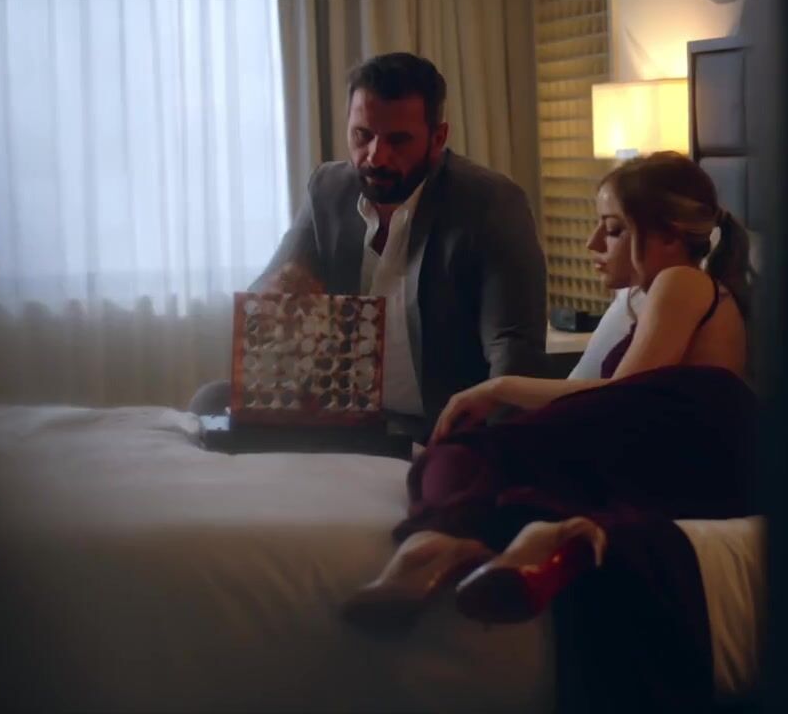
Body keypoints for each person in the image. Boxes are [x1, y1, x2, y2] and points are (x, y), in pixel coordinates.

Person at [343, 151, 757, 709]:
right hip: (667, 445)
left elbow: (624, 395)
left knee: (465, 454)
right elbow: (617, 402)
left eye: (613, 229)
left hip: (701, 437)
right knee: (462, 455)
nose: (592, 243)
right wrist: (504, 394)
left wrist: (499, 388)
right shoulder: (650, 295)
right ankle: (518, 536)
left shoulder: (681, 281)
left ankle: (440, 538)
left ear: (667, 235)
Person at [188, 53, 548, 439]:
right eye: (363, 135)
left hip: (437, 424)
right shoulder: (329, 189)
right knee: (210, 400)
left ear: (438, 139)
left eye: (398, 140)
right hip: (342, 412)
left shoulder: (491, 203)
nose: (376, 156)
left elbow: (513, 352)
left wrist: (491, 453)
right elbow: (267, 292)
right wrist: (277, 292)